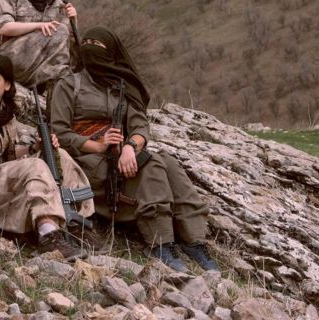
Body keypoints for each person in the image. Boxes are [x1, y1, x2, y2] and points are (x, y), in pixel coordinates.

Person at [49, 27, 219, 272]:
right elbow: (60, 133)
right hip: (85, 161)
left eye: (97, 44)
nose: (90, 47)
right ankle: (160, 243)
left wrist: (130, 147)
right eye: (86, 42)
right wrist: (98, 145)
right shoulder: (68, 85)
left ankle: (194, 239)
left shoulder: (124, 88)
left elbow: (140, 126)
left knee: (168, 162)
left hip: (119, 154)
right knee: (153, 165)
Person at [0, 53, 92, 260]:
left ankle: (77, 224)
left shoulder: (5, 116)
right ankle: (49, 236)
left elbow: (10, 157)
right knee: (34, 166)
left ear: (7, 85)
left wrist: (37, 147)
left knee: (59, 155)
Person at [0, 0, 78, 89]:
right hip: (14, 58)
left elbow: (68, 43)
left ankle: (55, 83)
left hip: (45, 65)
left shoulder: (59, 5)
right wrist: (39, 26)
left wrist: (74, 19)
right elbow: (5, 28)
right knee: (59, 30)